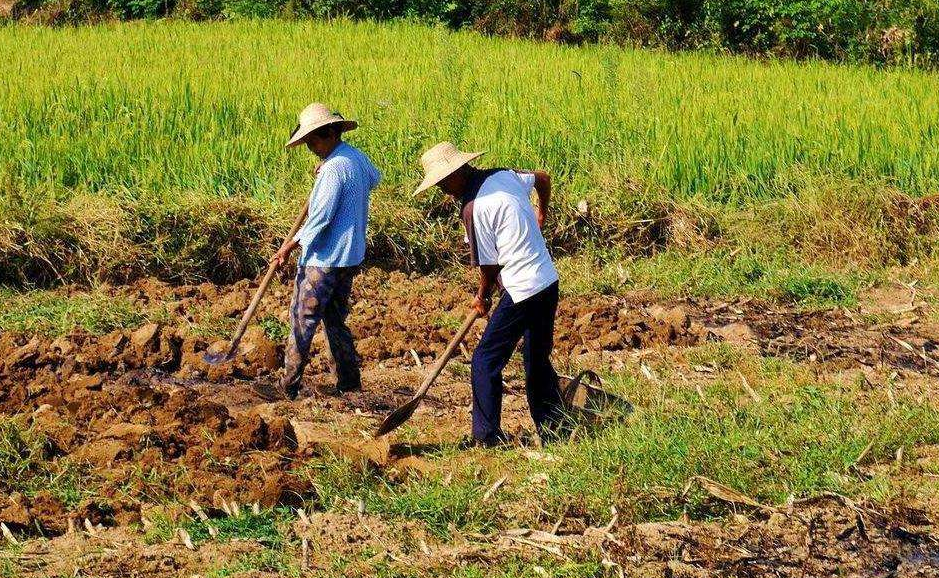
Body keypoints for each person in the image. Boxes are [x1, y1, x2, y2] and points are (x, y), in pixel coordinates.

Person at [415, 141, 566, 446]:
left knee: (485, 360)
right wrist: (541, 212)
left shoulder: (474, 208)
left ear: (460, 171)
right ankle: (554, 430)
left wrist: (482, 296)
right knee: (535, 359)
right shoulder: (505, 175)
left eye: (444, 181)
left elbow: (488, 265)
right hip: (547, 280)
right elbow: (543, 178)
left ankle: (485, 436)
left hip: (522, 288)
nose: (444, 189)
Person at [253, 103, 380, 401]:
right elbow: (375, 179)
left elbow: (320, 219)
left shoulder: (334, 169)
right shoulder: (353, 157)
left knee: (302, 317)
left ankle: (287, 387)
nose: (310, 148)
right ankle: (349, 383)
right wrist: (329, 172)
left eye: (312, 142)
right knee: (335, 319)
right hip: (350, 256)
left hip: (324, 258)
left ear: (328, 134)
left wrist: (288, 246)